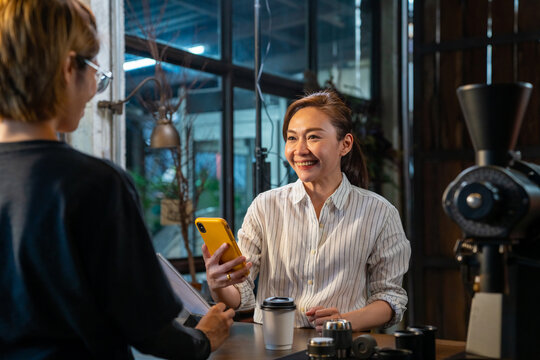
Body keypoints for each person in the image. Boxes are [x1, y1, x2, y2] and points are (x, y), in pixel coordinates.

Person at [0, 1, 234, 359]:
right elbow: (150, 331)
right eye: (94, 68)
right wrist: (204, 338)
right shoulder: (95, 184)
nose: (95, 86)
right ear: (66, 69)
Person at [203, 90, 411, 331]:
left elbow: (390, 298)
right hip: (272, 348)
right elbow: (241, 294)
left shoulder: (380, 213)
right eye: (292, 138)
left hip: (340, 348)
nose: (299, 150)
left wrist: (344, 322)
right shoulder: (264, 206)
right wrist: (217, 283)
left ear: (345, 144)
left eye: (313, 137)